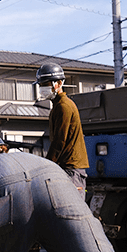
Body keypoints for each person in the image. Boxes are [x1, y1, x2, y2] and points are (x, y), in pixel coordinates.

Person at [35, 62, 88, 196]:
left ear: (58, 83)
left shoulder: (63, 106)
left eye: (45, 84)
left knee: (73, 212)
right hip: (67, 166)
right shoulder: (58, 105)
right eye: (40, 85)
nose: (41, 88)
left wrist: (46, 166)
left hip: (71, 168)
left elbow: (59, 141)